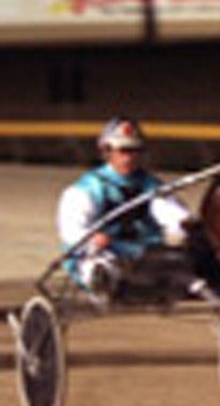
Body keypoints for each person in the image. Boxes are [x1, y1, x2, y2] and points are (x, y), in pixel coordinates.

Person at [56, 116, 192, 297]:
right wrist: (91, 239)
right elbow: (71, 229)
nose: (129, 157)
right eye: (123, 151)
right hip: (99, 254)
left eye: (135, 151)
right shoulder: (87, 189)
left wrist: (184, 224)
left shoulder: (150, 186)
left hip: (143, 253)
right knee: (100, 266)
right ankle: (104, 281)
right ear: (107, 151)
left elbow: (170, 212)